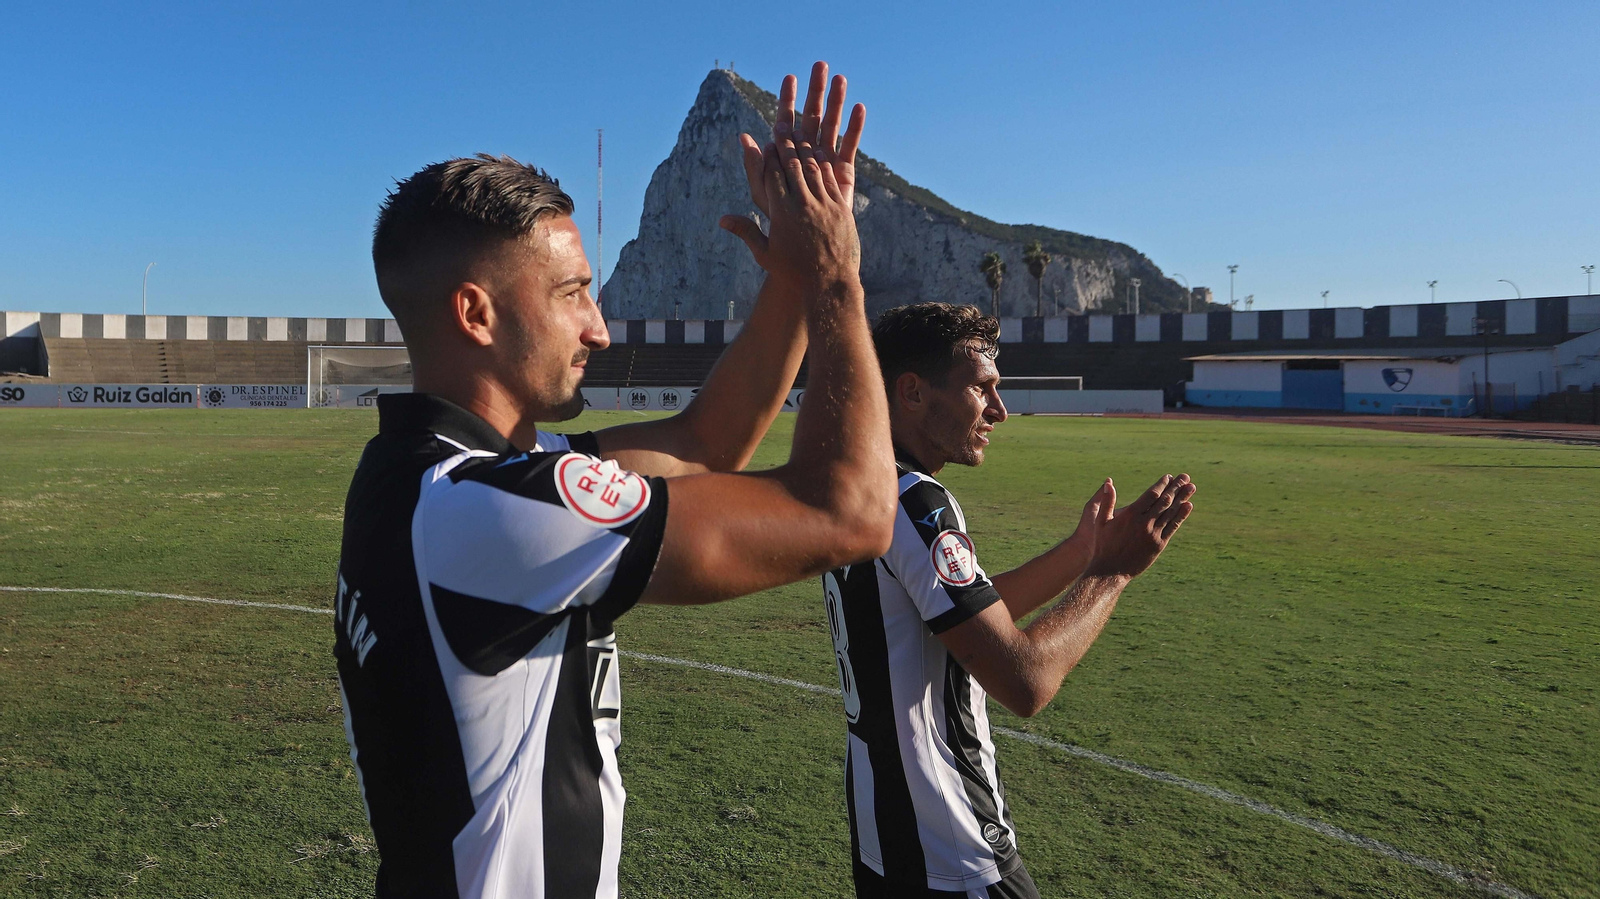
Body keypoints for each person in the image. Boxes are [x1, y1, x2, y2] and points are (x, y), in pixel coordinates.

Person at [333, 63, 895, 899]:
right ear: (476, 314)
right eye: (573, 293)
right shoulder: (484, 513)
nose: (599, 327)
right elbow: (848, 512)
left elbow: (705, 444)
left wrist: (785, 274)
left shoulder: (438, 478)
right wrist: (835, 279)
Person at [821, 302, 1198, 898]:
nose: (999, 410)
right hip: (950, 845)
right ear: (913, 392)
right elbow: (1025, 682)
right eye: (982, 389)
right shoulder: (917, 505)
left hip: (884, 836)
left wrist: (1083, 551)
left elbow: (964, 619)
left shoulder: (865, 486)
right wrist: (1111, 576)